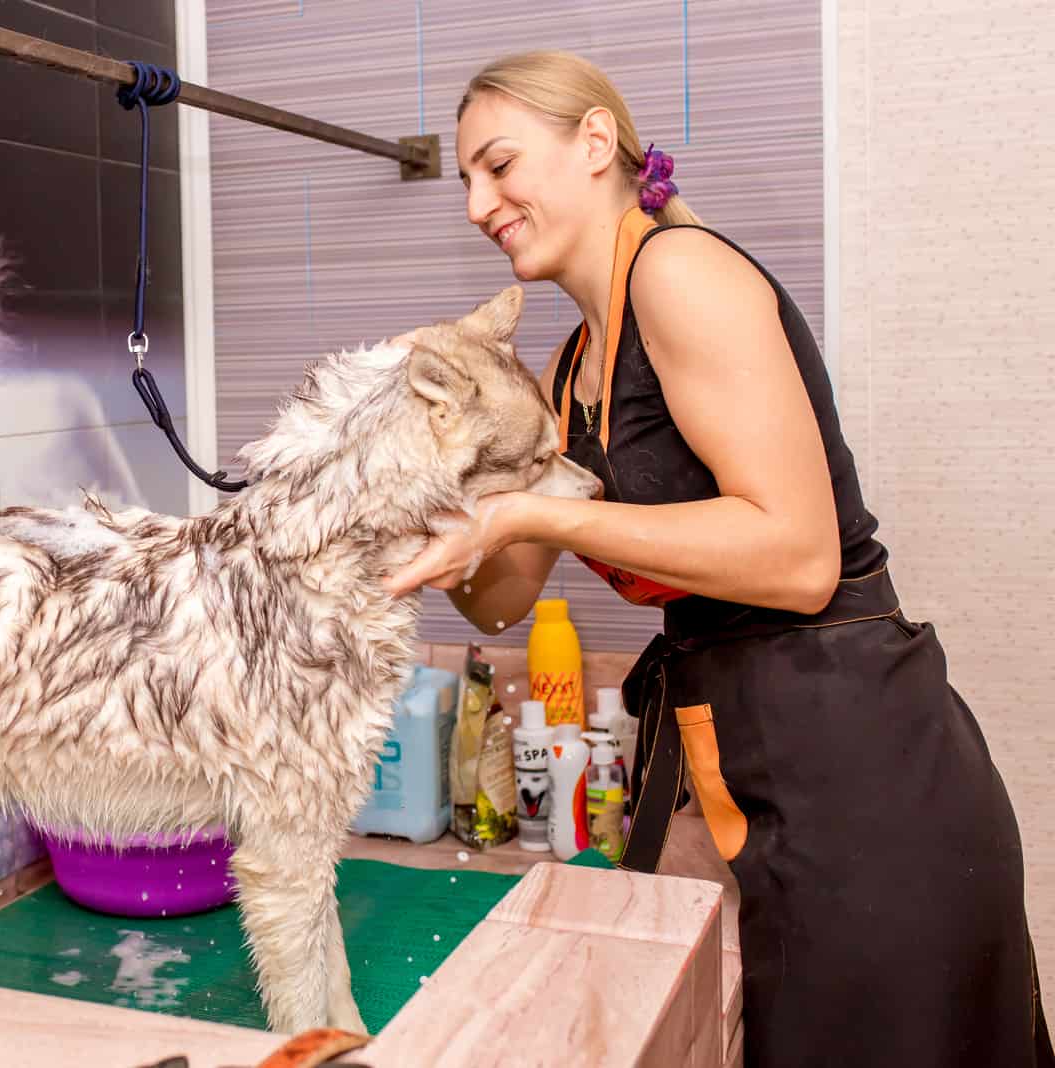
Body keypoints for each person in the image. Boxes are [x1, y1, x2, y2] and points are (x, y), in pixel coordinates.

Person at [383, 50, 1054, 1067]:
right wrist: (432, 491)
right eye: (466, 181)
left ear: (595, 142)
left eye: (498, 165)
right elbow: (499, 600)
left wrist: (537, 512)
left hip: (862, 765)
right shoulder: (573, 364)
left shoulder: (679, 273)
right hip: (757, 758)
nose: (478, 203)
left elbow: (797, 559)